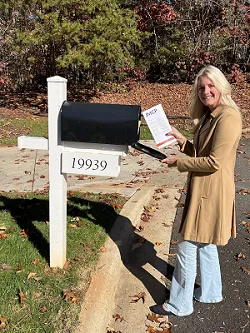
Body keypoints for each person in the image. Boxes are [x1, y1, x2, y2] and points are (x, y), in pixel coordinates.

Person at [150, 65, 242, 317]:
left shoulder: (228, 117)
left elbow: (215, 162)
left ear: (221, 86)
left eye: (211, 85)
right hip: (204, 190)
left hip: (211, 193)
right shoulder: (211, 115)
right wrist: (182, 141)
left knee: (188, 245)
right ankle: (211, 292)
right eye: (201, 87)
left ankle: (180, 304)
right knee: (205, 243)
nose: (206, 91)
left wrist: (177, 161)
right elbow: (203, 153)